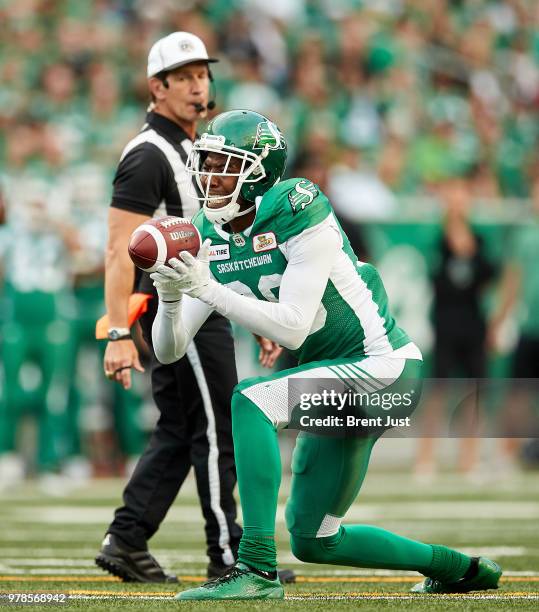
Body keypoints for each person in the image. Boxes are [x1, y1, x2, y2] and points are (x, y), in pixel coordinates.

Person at [149, 109, 503, 600]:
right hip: (339, 380)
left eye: (223, 164)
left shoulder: (299, 204)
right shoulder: (208, 232)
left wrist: (209, 288)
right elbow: (169, 350)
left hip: (385, 369)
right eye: (205, 162)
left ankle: (255, 569)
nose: (209, 175)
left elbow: (292, 328)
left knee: (252, 401)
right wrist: (170, 297)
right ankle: (458, 568)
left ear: (258, 173)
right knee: (317, 540)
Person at [96, 33, 285, 584]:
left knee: (182, 429)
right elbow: (117, 248)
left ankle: (127, 539)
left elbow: (220, 242)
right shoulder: (148, 153)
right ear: (158, 87)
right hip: (176, 305)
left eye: (203, 73)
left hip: (203, 298)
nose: (199, 84)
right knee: (217, 426)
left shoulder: (193, 146)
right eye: (185, 76)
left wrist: (249, 309)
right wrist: (116, 331)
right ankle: (230, 554)